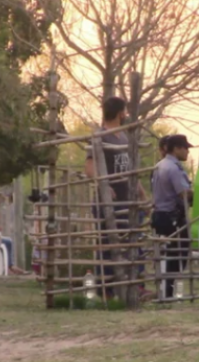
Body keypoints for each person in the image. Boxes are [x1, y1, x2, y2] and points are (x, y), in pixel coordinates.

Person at [84, 96, 151, 300]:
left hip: (127, 199)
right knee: (108, 245)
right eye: (125, 110)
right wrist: (104, 183)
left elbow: (130, 172)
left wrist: (142, 196)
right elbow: (89, 167)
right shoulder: (100, 136)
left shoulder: (123, 137)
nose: (126, 114)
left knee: (133, 243)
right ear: (121, 112)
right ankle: (107, 290)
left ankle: (136, 287)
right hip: (109, 201)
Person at [151, 134, 193, 298]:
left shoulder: (160, 165)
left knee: (170, 253)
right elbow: (183, 193)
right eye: (185, 148)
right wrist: (197, 194)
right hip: (172, 217)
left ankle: (166, 288)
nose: (188, 152)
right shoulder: (174, 168)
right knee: (178, 253)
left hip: (160, 215)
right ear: (176, 149)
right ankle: (168, 289)